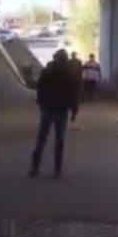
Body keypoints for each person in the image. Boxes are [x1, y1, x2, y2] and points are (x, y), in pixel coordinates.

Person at [31, 49, 78, 178]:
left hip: (47, 109)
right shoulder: (69, 73)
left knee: (41, 138)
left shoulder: (47, 71)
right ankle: (57, 170)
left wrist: (41, 103)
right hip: (61, 110)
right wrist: (74, 110)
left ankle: (34, 168)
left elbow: (39, 88)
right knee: (59, 140)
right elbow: (73, 93)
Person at [68, 51, 84, 122]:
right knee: (75, 99)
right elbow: (81, 72)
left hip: (70, 83)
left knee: (70, 99)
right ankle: (73, 113)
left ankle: (71, 112)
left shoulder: (68, 62)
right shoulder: (78, 62)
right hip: (75, 83)